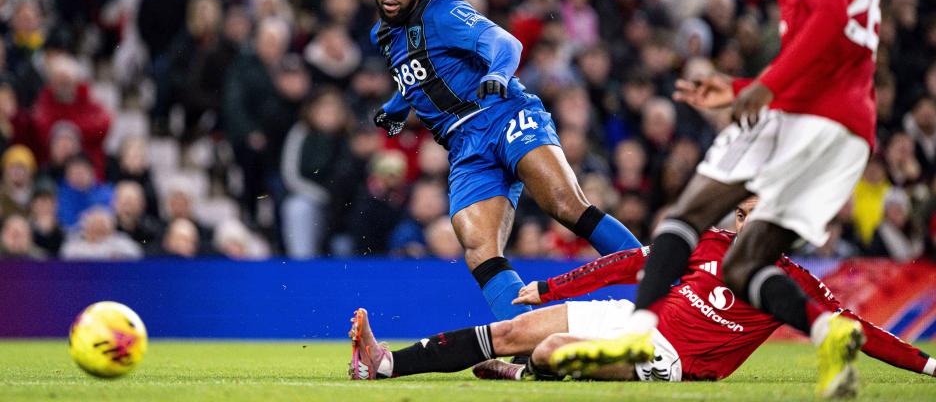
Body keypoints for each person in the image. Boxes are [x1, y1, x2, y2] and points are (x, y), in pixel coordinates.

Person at [550, 0, 881, 399]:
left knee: (684, 218)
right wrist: (739, 84)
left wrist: (763, 87)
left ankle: (639, 332)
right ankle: (826, 333)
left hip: (804, 115)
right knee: (746, 262)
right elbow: (842, 48)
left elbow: (825, 23)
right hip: (851, 125)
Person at [339, 0, 640, 321]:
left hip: (504, 114)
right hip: (464, 146)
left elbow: (505, 42)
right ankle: (528, 335)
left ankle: (657, 289)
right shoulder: (380, 34)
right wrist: (395, 107)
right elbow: (419, 76)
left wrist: (498, 73)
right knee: (478, 247)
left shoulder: (445, 12)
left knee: (564, 205)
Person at [347, 198, 935, 383]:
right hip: (635, 316)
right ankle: (383, 363)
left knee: (549, 353)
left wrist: (929, 365)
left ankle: (528, 377)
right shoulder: (708, 242)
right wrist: (546, 286)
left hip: (669, 358)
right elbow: (630, 262)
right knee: (511, 331)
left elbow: (859, 334)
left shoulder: (798, 286)